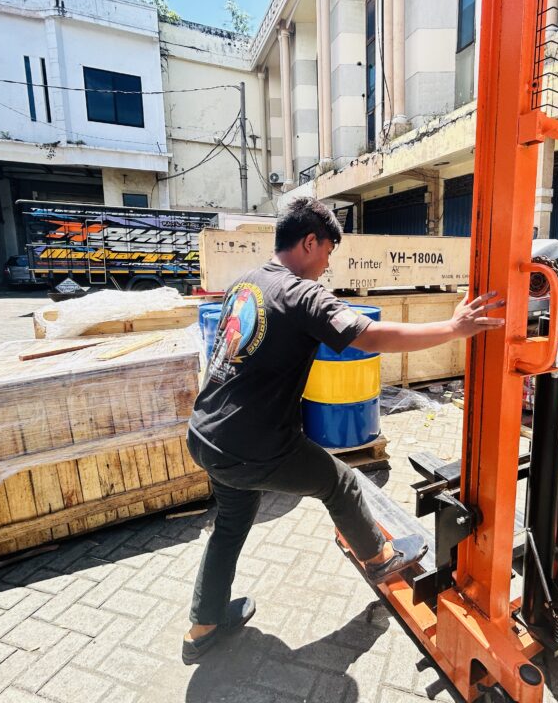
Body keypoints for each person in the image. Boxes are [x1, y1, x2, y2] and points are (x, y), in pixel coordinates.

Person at [182, 197, 506, 664]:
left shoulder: (246, 284)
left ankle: (203, 626)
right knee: (340, 483)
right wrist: (454, 328)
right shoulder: (302, 294)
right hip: (253, 444)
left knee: (230, 526)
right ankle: (380, 558)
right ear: (309, 242)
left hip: (206, 433)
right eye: (328, 252)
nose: (327, 266)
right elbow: (369, 337)